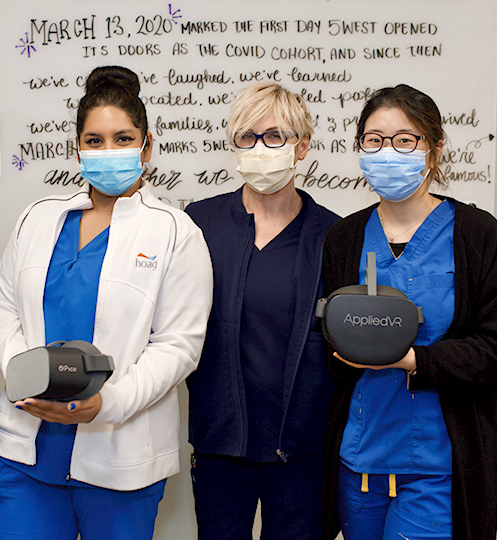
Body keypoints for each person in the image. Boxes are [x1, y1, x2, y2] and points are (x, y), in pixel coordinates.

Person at [0, 65, 213, 540]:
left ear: (147, 147)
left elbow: (178, 346)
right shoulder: (38, 218)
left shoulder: (175, 232)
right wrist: (25, 374)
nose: (109, 151)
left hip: (121, 458)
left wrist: (106, 404)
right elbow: (1, 306)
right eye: (95, 140)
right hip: (28, 453)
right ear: (78, 148)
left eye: (123, 139)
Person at [320, 84, 497, 540]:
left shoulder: (478, 235)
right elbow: (327, 339)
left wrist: (412, 360)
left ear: (434, 148)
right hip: (360, 457)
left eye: (404, 140)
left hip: (439, 463)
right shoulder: (344, 238)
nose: (387, 152)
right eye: (374, 140)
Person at [184, 82, 339, 540]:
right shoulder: (200, 224)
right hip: (220, 443)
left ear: (302, 147)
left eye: (274, 136)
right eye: (247, 137)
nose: (259, 148)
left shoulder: (333, 235)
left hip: (301, 449)